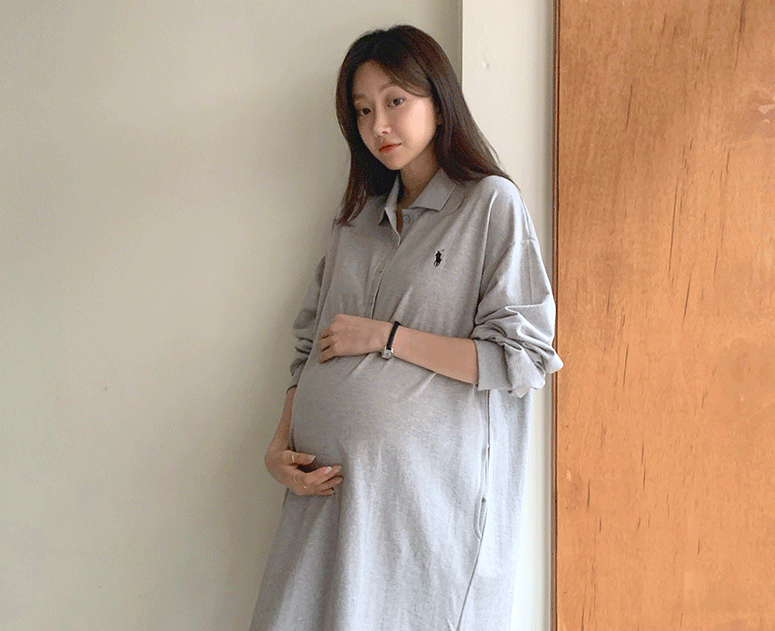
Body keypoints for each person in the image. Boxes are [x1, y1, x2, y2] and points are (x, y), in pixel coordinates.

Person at [249, 24, 563, 631]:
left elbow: (522, 357)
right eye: (363, 110)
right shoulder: (354, 223)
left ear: (438, 104)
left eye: (395, 101)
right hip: (326, 501)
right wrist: (279, 444)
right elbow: (308, 348)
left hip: (419, 513)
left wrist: (386, 337)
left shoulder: (488, 204)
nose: (379, 125)